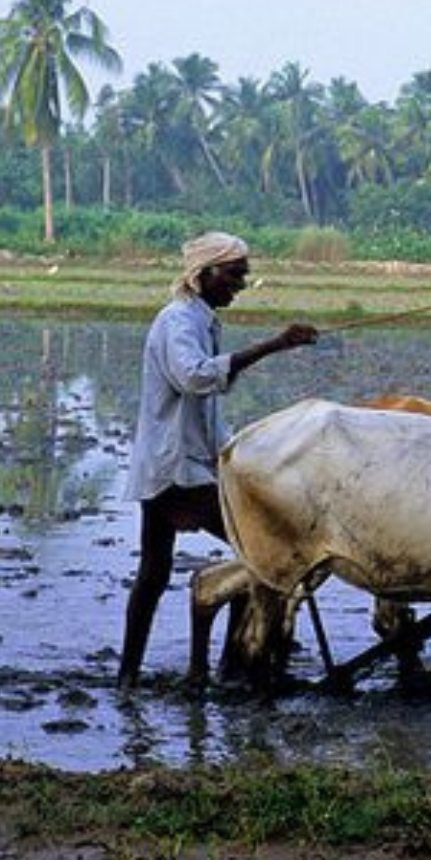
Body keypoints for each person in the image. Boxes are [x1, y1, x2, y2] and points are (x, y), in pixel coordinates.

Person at [118, 231, 318, 688]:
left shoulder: (200, 319)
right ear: (203, 273)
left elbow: (206, 412)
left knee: (153, 571)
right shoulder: (177, 322)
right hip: (175, 469)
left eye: (243, 274)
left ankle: (128, 676)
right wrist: (273, 345)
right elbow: (194, 378)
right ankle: (231, 666)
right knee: (260, 551)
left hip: (180, 463)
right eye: (235, 274)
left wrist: (244, 454)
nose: (241, 283)